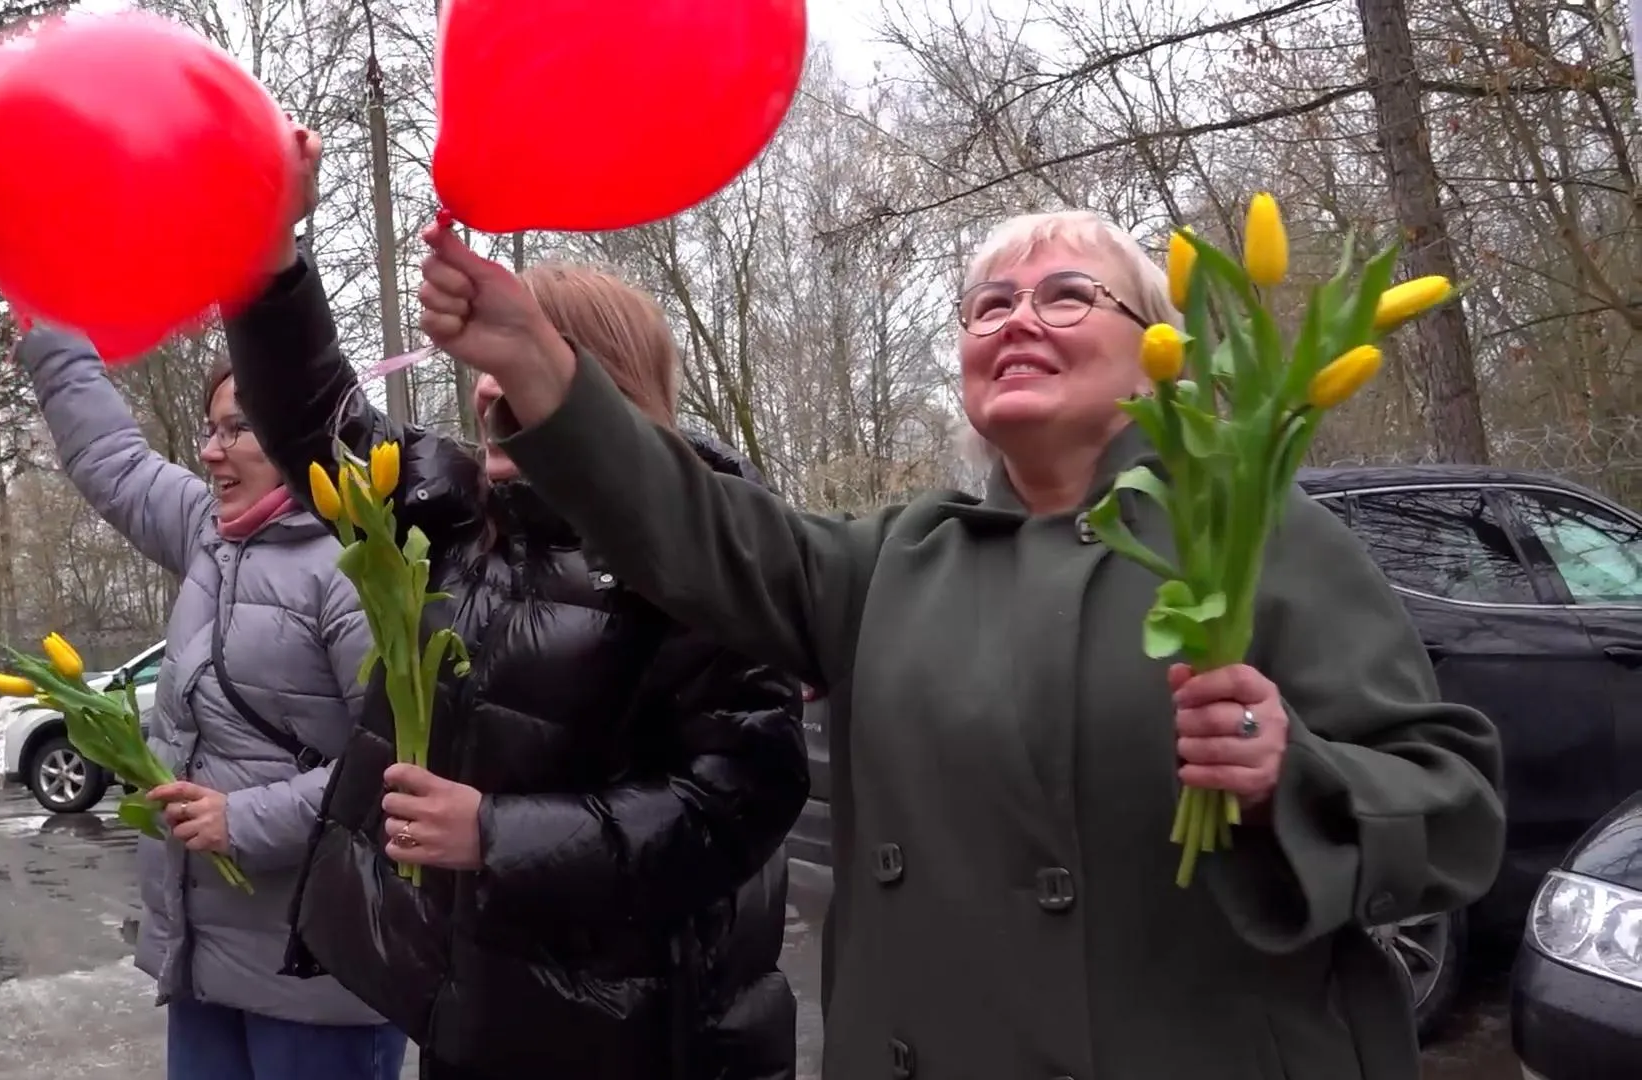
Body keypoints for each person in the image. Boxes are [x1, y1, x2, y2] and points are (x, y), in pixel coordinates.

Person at [412, 207, 1509, 1080]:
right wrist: (543, 367)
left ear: (1154, 354)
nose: (1016, 318)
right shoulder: (900, 556)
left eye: (1066, 295)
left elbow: (1451, 804)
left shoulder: (1256, 530)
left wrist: (1289, 775)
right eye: (988, 305)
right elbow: (696, 530)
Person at [216, 126, 809, 1080]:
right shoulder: (457, 508)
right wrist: (269, 248)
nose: (488, 382)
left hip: (638, 1041)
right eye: (486, 359)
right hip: (474, 1016)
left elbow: (736, 804)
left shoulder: (712, 554)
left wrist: (493, 834)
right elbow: (313, 419)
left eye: (526, 358)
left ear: (607, 394)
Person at [12, 330, 405, 1080]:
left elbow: (397, 769)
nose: (212, 451)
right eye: (209, 428)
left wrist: (242, 820)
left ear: (301, 428)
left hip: (319, 976)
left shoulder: (357, 566)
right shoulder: (211, 536)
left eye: (239, 428)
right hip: (205, 964)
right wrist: (51, 336)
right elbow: (113, 462)